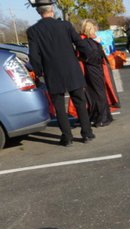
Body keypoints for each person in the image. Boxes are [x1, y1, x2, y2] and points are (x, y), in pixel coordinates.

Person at [27, 1, 95, 146]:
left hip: (52, 73)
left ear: (39, 12)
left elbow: (34, 55)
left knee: (59, 107)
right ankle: (87, 134)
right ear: (52, 9)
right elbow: (80, 43)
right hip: (72, 70)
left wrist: (38, 72)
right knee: (80, 102)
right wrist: (88, 56)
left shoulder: (33, 31)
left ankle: (67, 137)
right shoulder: (65, 25)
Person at [79, 19, 113, 128]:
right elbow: (95, 57)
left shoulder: (87, 41)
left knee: (97, 93)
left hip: (93, 69)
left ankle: (102, 117)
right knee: (97, 93)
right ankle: (101, 117)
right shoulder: (87, 41)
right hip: (94, 69)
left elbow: (94, 57)